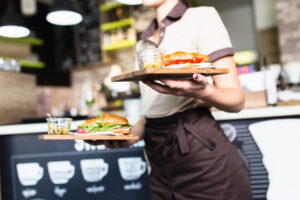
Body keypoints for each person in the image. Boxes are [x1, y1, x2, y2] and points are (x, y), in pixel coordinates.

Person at [88, 0, 253, 199]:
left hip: (203, 161)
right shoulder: (143, 42)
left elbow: (236, 100)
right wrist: (127, 137)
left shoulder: (202, 17)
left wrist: (201, 92)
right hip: (159, 167)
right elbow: (151, 111)